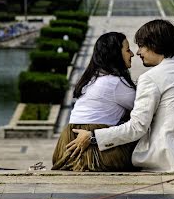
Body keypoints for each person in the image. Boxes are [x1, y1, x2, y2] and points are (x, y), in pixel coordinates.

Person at [64, 19, 174, 174]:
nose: (137, 52)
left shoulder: (151, 77)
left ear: (154, 45)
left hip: (170, 160)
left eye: (141, 46)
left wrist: (93, 136)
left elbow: (137, 127)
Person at [51, 32, 137, 172]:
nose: (132, 54)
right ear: (115, 54)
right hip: (95, 154)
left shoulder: (90, 80)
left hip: (65, 148)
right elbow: (143, 111)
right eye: (127, 50)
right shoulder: (115, 82)